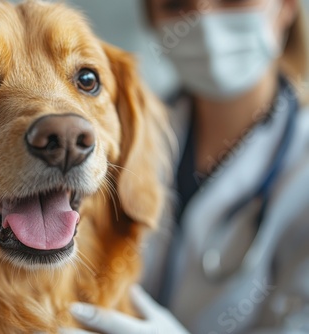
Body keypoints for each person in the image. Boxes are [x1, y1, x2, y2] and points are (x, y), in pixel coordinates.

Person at [67, 0, 309, 333]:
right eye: (177, 4)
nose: (204, 20)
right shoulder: (122, 137)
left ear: (285, 8)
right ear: (153, 22)